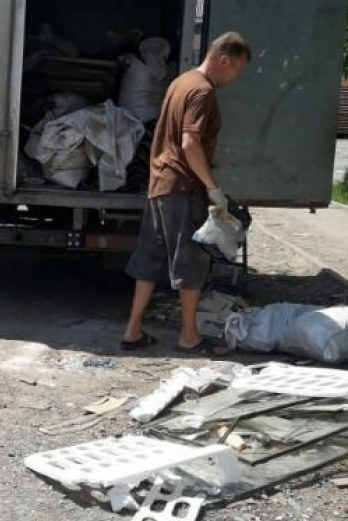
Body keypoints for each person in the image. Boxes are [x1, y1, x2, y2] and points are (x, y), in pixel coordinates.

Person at [120, 31, 251, 354]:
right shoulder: (202, 91)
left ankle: (133, 330)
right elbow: (190, 141)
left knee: (150, 259)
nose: (234, 78)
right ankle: (189, 336)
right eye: (236, 70)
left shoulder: (180, 83)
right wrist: (212, 188)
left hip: (159, 185)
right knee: (190, 263)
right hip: (182, 187)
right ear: (223, 60)